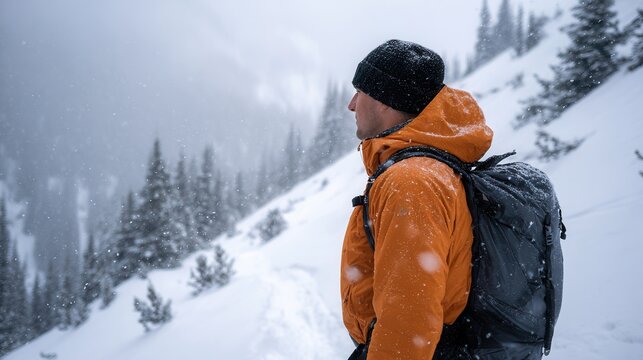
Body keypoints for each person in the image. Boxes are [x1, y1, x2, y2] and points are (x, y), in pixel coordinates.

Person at [340, 39, 493, 359]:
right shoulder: (420, 170)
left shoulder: (411, 182)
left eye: (360, 92)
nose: (352, 104)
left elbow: (408, 321)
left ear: (384, 100)